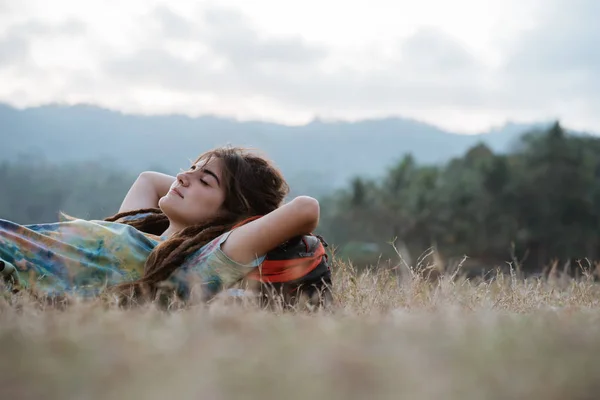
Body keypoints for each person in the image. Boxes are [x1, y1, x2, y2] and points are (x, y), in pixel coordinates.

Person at [0, 146, 321, 306]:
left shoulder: (200, 261)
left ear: (235, 215)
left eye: (205, 180)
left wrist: (233, 218)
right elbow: (149, 180)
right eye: (191, 168)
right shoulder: (139, 226)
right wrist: (201, 187)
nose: (183, 176)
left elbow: (305, 208)